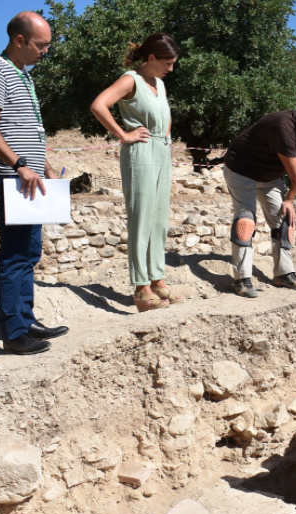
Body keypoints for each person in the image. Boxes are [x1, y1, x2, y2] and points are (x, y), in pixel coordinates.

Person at [0, 12, 68, 354]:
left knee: (29, 252)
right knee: (14, 254)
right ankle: (13, 332)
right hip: (14, 179)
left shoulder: (23, 74)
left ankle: (26, 319)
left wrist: (45, 167)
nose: (46, 51)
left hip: (30, 177)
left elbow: (27, 132)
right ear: (20, 40)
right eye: (41, 45)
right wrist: (20, 165)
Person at [89, 33, 182, 312]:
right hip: (140, 152)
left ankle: (157, 280)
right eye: (167, 63)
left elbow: (165, 114)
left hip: (161, 150)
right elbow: (98, 105)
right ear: (151, 58)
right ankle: (141, 289)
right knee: (141, 218)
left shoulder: (160, 84)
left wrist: (165, 138)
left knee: (159, 219)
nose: (171, 68)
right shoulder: (131, 80)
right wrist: (123, 134)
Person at [222, 100, 296, 298]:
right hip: (241, 169)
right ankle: (242, 279)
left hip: (269, 177)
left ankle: (283, 274)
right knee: (245, 220)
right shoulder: (282, 126)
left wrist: (289, 200)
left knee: (285, 220)